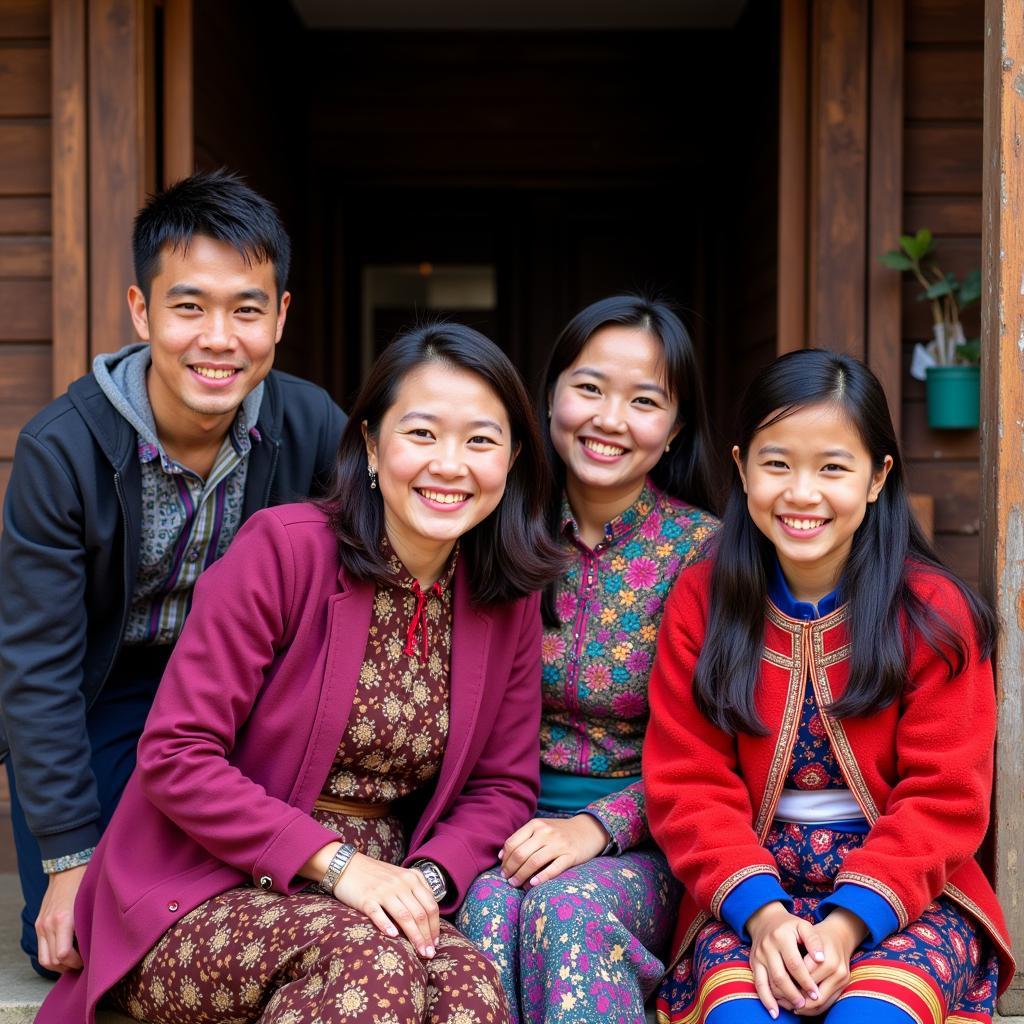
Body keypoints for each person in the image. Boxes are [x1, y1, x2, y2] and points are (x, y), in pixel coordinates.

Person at [37, 321, 563, 1024]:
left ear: (514, 457)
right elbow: (175, 754)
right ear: (372, 445)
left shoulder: (506, 598)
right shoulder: (283, 553)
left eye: (481, 441)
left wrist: (428, 878)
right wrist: (339, 866)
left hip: (384, 889)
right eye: (422, 434)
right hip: (202, 885)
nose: (450, 464)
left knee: (469, 990)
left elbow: (502, 785)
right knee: (366, 966)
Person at [0, 169, 346, 977]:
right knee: (89, 932)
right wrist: (65, 860)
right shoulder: (63, 449)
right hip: (103, 691)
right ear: (140, 310)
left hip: (249, 698)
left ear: (281, 317)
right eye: (189, 306)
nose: (218, 338)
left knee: (253, 895)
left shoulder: (311, 425)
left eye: (247, 309)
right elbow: (39, 668)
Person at [645, 348, 1015, 1024]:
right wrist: (763, 917)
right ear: (741, 469)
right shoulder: (701, 601)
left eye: (834, 468)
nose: (802, 493)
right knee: (742, 1015)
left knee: (869, 1016)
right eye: (777, 463)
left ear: (877, 479)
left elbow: (945, 797)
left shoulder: (933, 614)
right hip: (750, 890)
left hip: (909, 893)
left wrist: (848, 925)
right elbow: (687, 781)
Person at [457, 295, 720, 1023]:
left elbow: (720, 751)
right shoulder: (492, 526)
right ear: (549, 398)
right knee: (482, 909)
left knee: (566, 909)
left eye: (643, 400)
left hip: (647, 845)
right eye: (590, 388)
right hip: (498, 829)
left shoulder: (705, 553)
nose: (609, 418)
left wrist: (595, 829)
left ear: (674, 431)